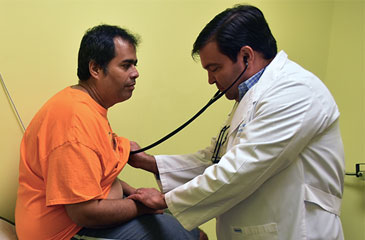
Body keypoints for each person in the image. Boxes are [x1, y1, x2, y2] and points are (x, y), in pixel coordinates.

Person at [128, 4, 345, 240]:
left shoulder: (296, 90)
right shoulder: (252, 98)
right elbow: (215, 160)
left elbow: (244, 167)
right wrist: (147, 162)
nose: (211, 80)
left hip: (298, 230)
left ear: (246, 56)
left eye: (215, 68)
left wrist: (165, 200)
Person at [15, 24, 204, 240]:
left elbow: (96, 178)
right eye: (126, 65)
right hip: (64, 232)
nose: (136, 73)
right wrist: (141, 206)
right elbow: (84, 213)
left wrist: (134, 193)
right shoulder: (74, 120)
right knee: (183, 235)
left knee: (188, 221)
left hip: (86, 219)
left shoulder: (87, 106)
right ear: (95, 69)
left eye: (135, 64)